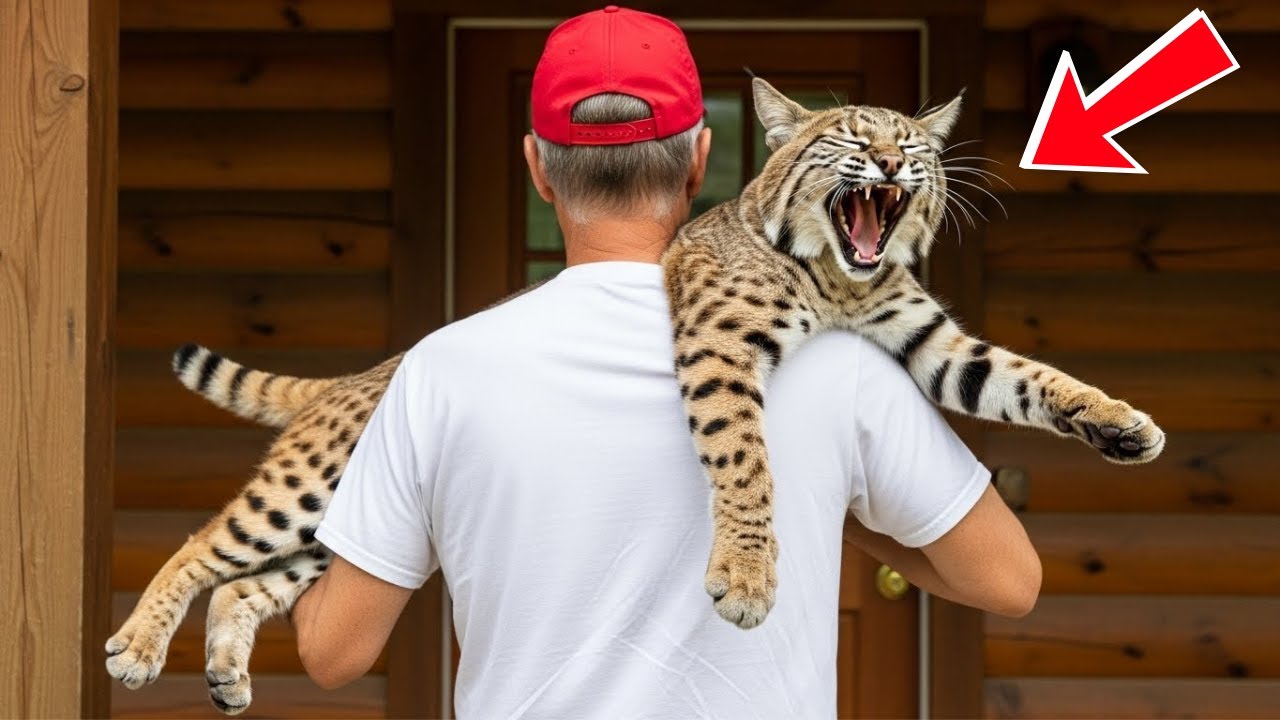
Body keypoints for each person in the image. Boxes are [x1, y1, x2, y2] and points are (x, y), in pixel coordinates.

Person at [292, 6, 1040, 717]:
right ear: (698, 163)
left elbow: (334, 653)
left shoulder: (442, 372)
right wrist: (839, 507)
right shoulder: (834, 362)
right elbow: (1009, 581)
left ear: (538, 169)